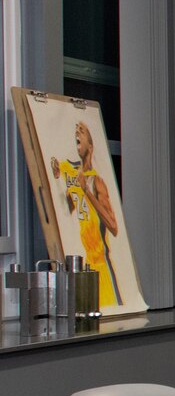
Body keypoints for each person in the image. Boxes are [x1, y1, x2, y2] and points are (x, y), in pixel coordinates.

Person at [56, 122, 124, 306]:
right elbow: (68, 210)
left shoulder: (97, 182)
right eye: (76, 129)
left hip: (103, 267)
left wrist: (86, 191)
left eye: (82, 130)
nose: (77, 131)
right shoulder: (76, 176)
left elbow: (113, 226)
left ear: (91, 146)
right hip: (87, 266)